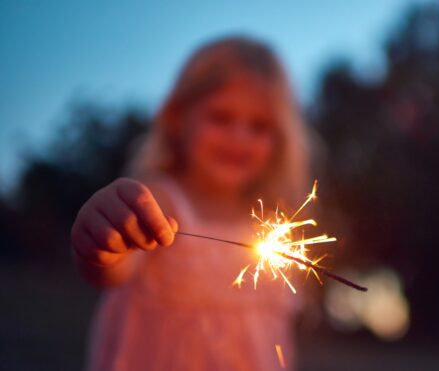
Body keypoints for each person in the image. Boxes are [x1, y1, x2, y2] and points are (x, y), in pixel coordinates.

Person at [71, 36, 310, 370]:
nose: (239, 138)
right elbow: (115, 269)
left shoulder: (269, 221)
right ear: (177, 118)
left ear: (280, 139)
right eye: (221, 117)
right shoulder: (160, 203)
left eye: (259, 126)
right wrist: (105, 246)